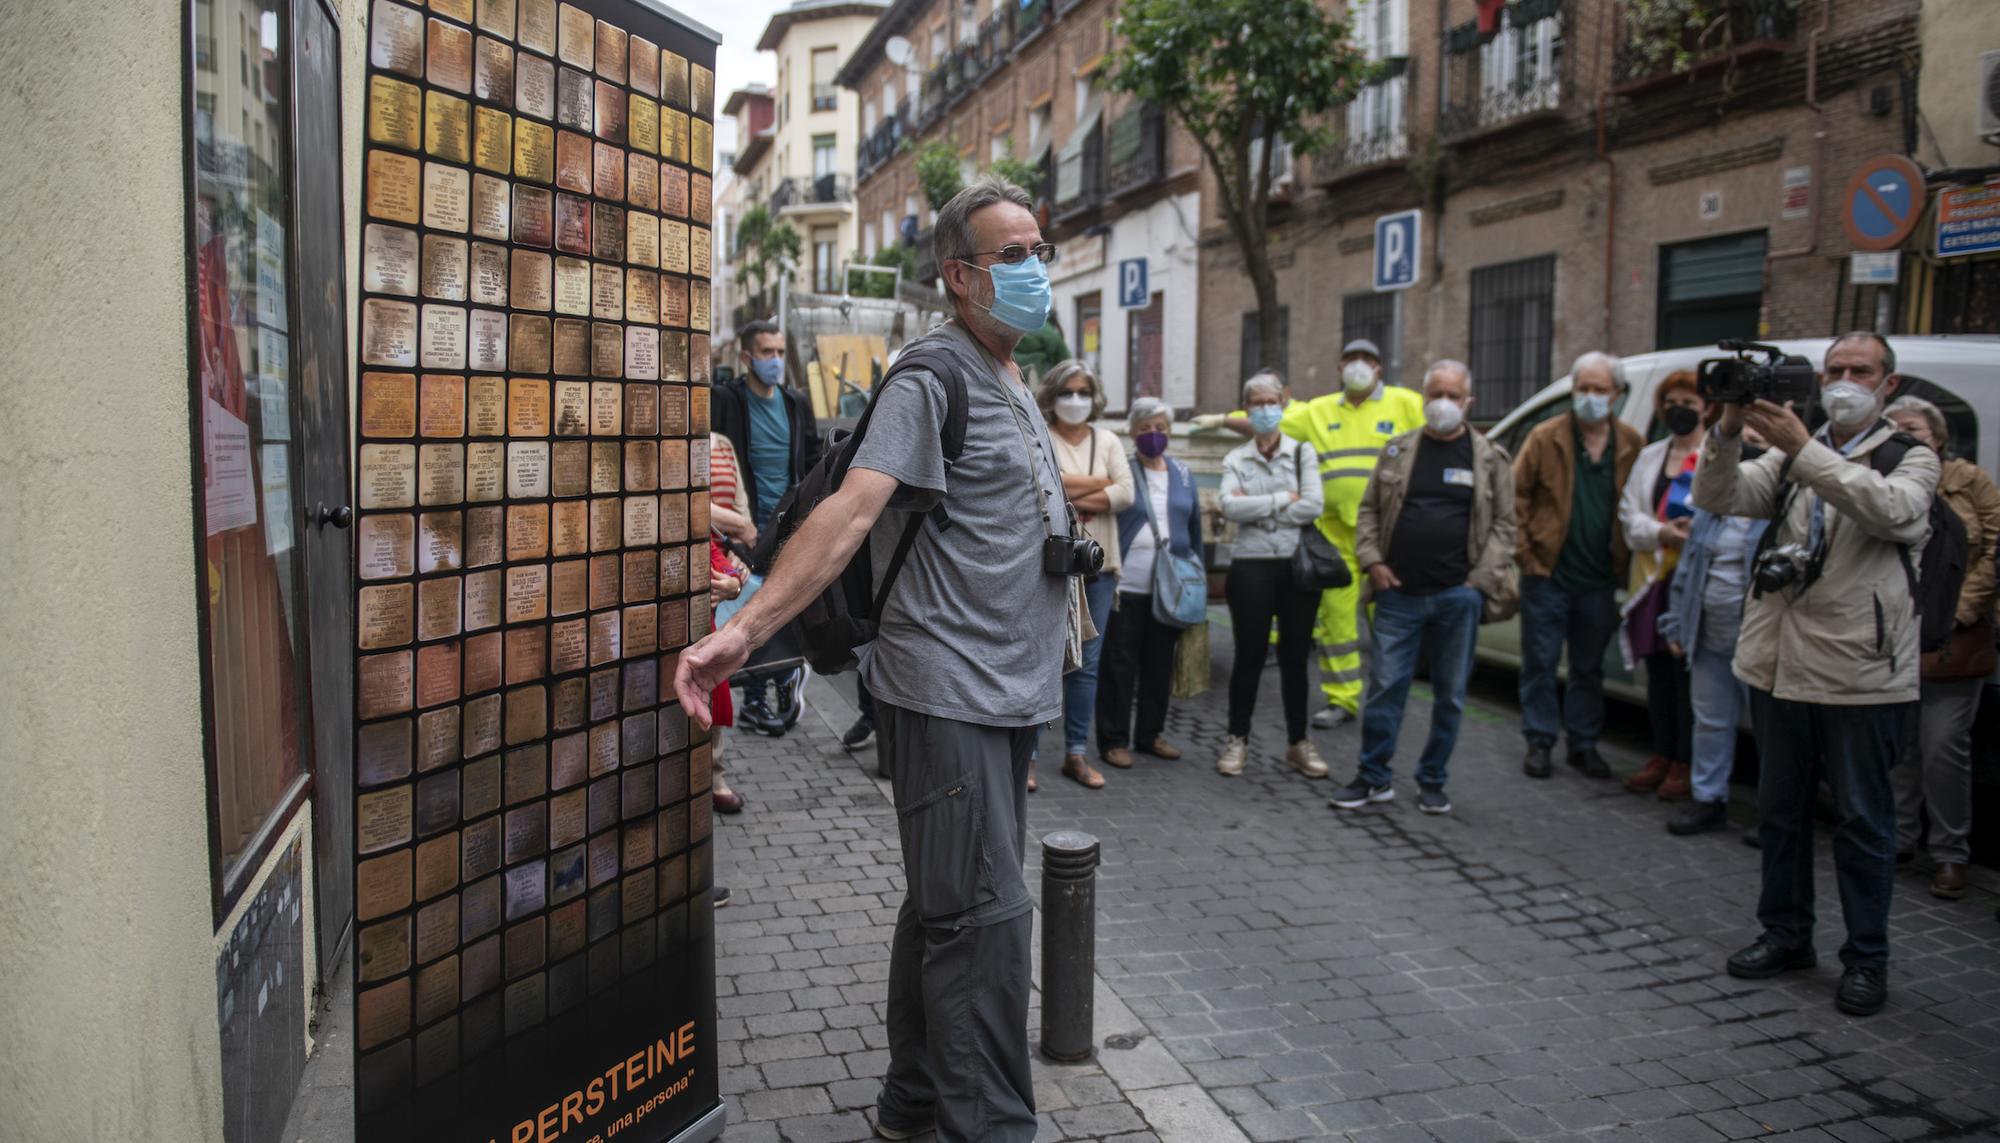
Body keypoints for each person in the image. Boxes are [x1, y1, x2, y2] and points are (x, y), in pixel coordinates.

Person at [674, 175, 1069, 1140]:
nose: (1035, 269)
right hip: (950, 691)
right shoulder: (933, 375)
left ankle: (911, 1104)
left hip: (1006, 693)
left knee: (948, 907)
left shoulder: (1009, 375)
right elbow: (852, 507)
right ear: (960, 277)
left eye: (1039, 250)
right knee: (984, 928)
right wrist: (745, 632)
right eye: (1011, 256)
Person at [1692, 331, 1937, 1018]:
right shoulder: (1792, 454)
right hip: (1780, 663)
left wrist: (1804, 448)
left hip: (1860, 672)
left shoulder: (1910, 456)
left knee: (1863, 821)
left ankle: (1867, 958)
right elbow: (1720, 495)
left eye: (1861, 369)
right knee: (1780, 813)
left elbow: (1892, 512)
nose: (1844, 379)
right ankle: (1786, 933)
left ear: (1888, 383)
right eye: (1835, 368)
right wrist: (1730, 425)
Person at [1334, 360, 1515, 813]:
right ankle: (1373, 777)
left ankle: (1433, 778)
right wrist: (1373, 562)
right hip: (1398, 593)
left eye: (1453, 396)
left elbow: (1505, 525)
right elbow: (1370, 511)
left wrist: (1478, 583)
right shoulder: (1397, 451)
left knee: (1450, 695)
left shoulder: (1490, 457)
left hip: (1459, 596)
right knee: (1385, 688)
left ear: (1468, 402)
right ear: (1423, 396)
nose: (1443, 404)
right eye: (1436, 394)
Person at [1885, 396, 2000, 900]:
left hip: (1955, 637)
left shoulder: (1969, 481)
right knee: (1900, 744)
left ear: (1938, 437)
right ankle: (1900, 838)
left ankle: (1951, 853)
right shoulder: (1883, 481)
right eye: (1895, 432)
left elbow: (1994, 547)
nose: (1904, 439)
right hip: (1895, 630)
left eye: (1913, 430)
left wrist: (1957, 612)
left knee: (1942, 748)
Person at [1279, 339, 1426, 728]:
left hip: (1389, 539)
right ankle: (1341, 699)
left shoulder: (1406, 404)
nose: (1359, 366)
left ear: (1380, 369)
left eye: (1368, 360)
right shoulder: (1319, 411)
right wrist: (1225, 419)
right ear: (1339, 366)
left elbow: (1435, 440)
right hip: (1336, 538)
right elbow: (1272, 420)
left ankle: (1387, 697)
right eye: (1351, 359)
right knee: (1336, 623)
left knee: (1391, 624)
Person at [1513, 352, 1645, 780]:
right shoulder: (1545, 437)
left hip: (1599, 579)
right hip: (1548, 575)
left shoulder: (1631, 443)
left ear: (1617, 394)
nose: (1589, 397)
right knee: (1541, 662)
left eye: (1599, 390)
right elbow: (1515, 499)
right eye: (1582, 389)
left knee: (1588, 667)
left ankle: (1583, 744)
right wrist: (1529, 557)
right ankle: (1539, 741)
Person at [1655, 429, 1773, 836]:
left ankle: (1773, 812)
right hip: (1708, 633)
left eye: (1758, 438)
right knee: (1709, 721)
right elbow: (1687, 568)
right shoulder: (1712, 503)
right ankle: (1708, 799)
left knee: (1768, 729)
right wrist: (1675, 622)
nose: (1747, 447)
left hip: (1759, 638)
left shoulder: (1777, 504)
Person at [714, 318, 824, 733]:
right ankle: (757, 697)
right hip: (740, 529)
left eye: (780, 353)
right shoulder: (726, 401)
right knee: (745, 609)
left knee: (781, 608)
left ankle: (779, 684)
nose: (775, 361)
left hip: (785, 529)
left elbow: (813, 461)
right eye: (766, 353)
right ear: (746, 358)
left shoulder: (795, 403)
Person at [1215, 372, 1327, 778]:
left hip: (1296, 566)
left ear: (1284, 401)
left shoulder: (1302, 453)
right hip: (1251, 565)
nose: (1264, 409)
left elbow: (1313, 505)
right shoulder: (1235, 458)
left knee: (1296, 658)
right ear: (1247, 408)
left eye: (1271, 401)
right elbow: (1229, 506)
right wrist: (1283, 499)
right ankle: (1236, 740)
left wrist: (1257, 504)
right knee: (1249, 655)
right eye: (1257, 402)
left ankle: (1298, 742)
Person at [1041, 360, 1135, 790]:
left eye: (1082, 391)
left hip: (1101, 566)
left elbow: (1126, 492)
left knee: (1088, 665)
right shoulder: (1039, 434)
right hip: (1051, 565)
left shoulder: (1109, 439)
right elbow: (1041, 488)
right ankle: (1027, 755)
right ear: (1052, 395)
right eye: (1067, 391)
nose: (1075, 400)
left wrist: (1069, 485)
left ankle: (1075, 753)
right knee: (1041, 660)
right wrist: (1098, 484)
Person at [1098, 397, 1203, 770]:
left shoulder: (1184, 475)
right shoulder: (1124, 472)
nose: (1153, 435)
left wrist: (1197, 577)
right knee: (1119, 665)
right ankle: (1113, 739)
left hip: (1169, 589)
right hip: (1127, 586)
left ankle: (1150, 734)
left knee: (1160, 664)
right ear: (1133, 432)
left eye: (1160, 428)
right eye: (1145, 429)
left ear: (1170, 432)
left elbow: (1194, 529)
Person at [1617, 371, 1708, 801]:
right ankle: (1662, 752)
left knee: (1688, 676)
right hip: (1655, 578)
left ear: (1707, 406)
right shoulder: (1651, 456)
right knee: (1658, 672)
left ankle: (1687, 761)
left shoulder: (1717, 456)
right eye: (1671, 401)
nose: (1680, 409)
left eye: (1689, 401)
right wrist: (1660, 532)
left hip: (1697, 585)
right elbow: (1629, 513)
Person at [705, 431, 756, 816]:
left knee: (713, 671)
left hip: (719, 560)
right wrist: (737, 522)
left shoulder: (722, 441)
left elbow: (739, 502)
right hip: (701, 555)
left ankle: (714, 773)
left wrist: (738, 562)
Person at [1012, 312, 1071, 382]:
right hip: (1035, 374)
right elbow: (1067, 361)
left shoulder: (1019, 325)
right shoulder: (1050, 332)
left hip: (1011, 368)